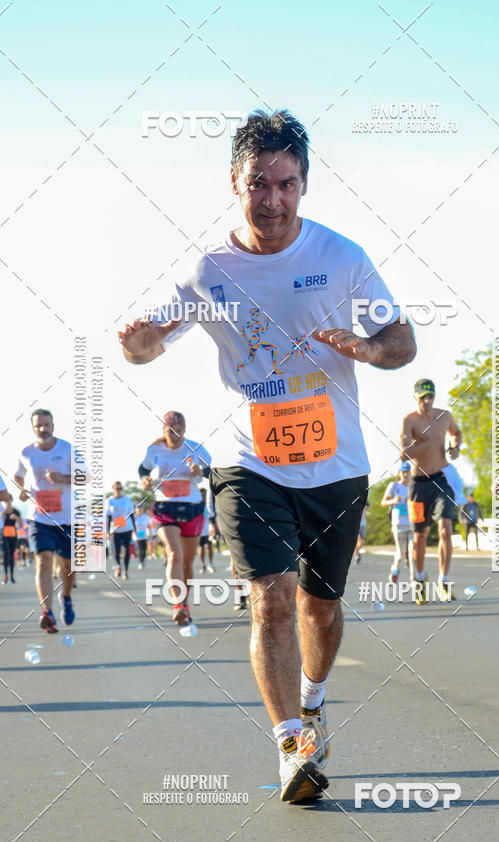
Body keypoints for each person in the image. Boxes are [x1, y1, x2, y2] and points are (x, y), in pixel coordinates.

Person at [118, 109, 416, 802]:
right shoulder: (208, 270)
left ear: (305, 185)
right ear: (235, 183)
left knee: (320, 608)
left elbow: (402, 341)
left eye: (286, 183)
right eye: (259, 183)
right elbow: (152, 342)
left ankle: (312, 699)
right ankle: (293, 746)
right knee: (271, 598)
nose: (272, 199)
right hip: (246, 461)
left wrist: (370, 350)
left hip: (335, 465)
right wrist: (136, 343)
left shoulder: (341, 257)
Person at [138, 411, 210, 625]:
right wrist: (144, 480)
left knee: (187, 562)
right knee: (174, 554)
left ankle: (185, 605)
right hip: (164, 508)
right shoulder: (154, 450)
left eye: (178, 431)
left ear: (185, 430)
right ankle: (177, 605)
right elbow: (143, 469)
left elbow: (212, 471)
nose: (175, 436)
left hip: (192, 508)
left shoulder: (195, 448)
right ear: (163, 430)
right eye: (170, 432)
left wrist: (199, 472)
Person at [14, 409, 75, 632]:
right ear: (33, 428)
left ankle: (66, 597)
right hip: (38, 518)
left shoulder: (67, 449)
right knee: (43, 562)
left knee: (68, 568)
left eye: (46, 424)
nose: (43, 429)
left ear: (53, 425)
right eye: (38, 425)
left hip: (67, 518)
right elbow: (18, 474)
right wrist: (21, 488)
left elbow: (86, 476)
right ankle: (47, 613)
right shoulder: (26, 452)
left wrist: (62, 478)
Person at [401, 379, 462, 604]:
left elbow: (456, 432)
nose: (427, 401)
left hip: (441, 480)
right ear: (415, 396)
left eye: (431, 397)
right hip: (418, 484)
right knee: (419, 536)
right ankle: (419, 579)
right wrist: (426, 444)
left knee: (445, 530)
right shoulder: (409, 420)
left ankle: (444, 581)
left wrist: (455, 447)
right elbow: (404, 454)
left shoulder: (444, 416)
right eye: (423, 397)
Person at [381, 462, 412, 582]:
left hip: (411, 525)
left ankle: (413, 578)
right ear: (400, 473)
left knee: (412, 552)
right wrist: (394, 500)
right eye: (403, 472)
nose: (405, 474)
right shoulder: (394, 486)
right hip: (398, 525)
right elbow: (383, 502)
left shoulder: (413, 487)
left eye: (407, 472)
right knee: (400, 554)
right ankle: (395, 570)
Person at [106, 481, 136, 579]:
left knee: (127, 549)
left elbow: (131, 515)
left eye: (120, 488)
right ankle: (118, 565)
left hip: (127, 528)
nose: (119, 490)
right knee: (116, 550)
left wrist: (135, 529)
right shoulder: (110, 500)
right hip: (115, 529)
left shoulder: (127, 499)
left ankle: (126, 571)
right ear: (113, 489)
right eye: (117, 489)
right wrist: (107, 531)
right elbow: (108, 516)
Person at [1, 495, 22, 584]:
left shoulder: (16, 511)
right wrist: (2, 518)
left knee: (11, 556)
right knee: (6, 555)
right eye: (5, 501)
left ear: (11, 501)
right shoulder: (2, 512)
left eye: (8, 501)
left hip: (13, 535)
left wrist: (16, 518)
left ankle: (12, 576)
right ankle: (6, 575)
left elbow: (21, 525)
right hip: (4, 535)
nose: (7, 503)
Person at [198, 488, 216, 573]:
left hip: (209, 529)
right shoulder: (197, 505)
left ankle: (211, 563)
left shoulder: (209, 505)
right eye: (201, 494)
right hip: (200, 530)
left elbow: (213, 516)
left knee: (209, 546)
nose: (203, 496)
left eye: (204, 494)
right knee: (201, 548)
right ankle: (203, 565)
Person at [134, 504, 151, 570]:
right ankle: (140, 562)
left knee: (144, 549)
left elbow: (148, 525)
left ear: (142, 509)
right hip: (137, 534)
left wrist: (150, 533)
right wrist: (134, 532)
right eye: (138, 509)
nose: (139, 510)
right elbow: (133, 526)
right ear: (136, 510)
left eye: (141, 509)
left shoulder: (145, 516)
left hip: (145, 534)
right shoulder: (134, 517)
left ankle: (143, 559)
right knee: (140, 548)